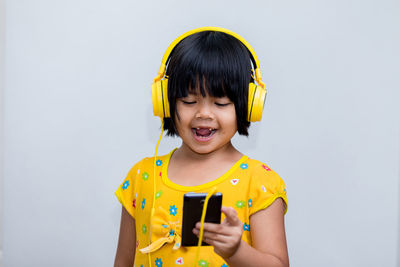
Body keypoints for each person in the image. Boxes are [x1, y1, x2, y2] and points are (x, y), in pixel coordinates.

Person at [114, 27, 289, 267]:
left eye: (221, 102)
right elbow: (123, 262)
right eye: (188, 101)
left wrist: (236, 251)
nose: (204, 114)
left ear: (247, 106)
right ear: (165, 102)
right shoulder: (142, 176)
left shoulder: (260, 183)